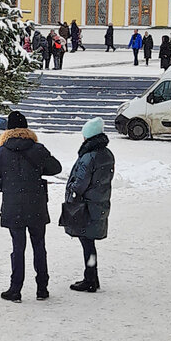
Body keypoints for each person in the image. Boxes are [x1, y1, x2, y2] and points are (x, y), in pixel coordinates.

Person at [0, 110, 63, 302]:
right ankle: (42, 288)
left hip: (13, 206)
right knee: (39, 246)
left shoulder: (1, 152)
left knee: (17, 248)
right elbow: (56, 168)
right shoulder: (38, 149)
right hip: (36, 204)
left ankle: (15, 288)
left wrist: (9, 186)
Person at [60, 117, 116, 292]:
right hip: (99, 204)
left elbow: (80, 182)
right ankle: (92, 277)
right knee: (89, 241)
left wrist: (71, 191)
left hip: (86, 206)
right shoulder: (106, 154)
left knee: (87, 242)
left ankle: (90, 278)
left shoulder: (89, 157)